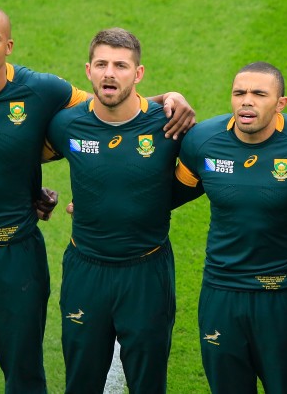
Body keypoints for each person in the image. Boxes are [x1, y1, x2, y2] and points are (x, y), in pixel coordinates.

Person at [0, 5, 194, 394]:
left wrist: (167, 99)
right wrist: (20, 186)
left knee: (24, 370)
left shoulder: (43, 90)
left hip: (17, 251)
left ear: (9, 46)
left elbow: (108, 107)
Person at [44, 27, 184, 394]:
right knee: (81, 383)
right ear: (88, 70)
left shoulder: (169, 125)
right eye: (102, 64)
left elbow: (202, 178)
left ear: (138, 74)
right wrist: (32, 194)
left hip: (147, 273)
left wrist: (145, 203)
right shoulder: (66, 124)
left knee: (148, 384)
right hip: (85, 270)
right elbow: (17, 152)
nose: (110, 73)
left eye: (121, 65)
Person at [172, 61, 287, 394]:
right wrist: (97, 210)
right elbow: (164, 196)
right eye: (239, 92)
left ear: (280, 103)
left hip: (281, 295)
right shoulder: (203, 141)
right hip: (221, 293)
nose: (247, 101)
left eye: (259, 94)